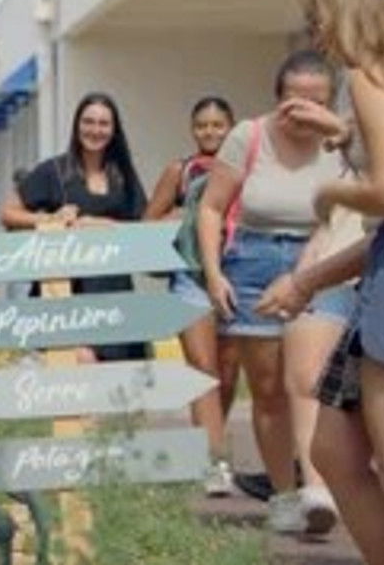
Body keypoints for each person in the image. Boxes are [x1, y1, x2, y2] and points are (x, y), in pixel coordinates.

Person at [262, 0, 384, 565]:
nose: (315, 30)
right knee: (332, 447)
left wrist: (329, 194)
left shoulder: (368, 76)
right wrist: (345, 133)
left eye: (318, 11)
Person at [195, 50, 347, 534]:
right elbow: (211, 208)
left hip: (323, 257)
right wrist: (214, 273)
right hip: (254, 261)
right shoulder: (249, 136)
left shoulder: (343, 141)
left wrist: (339, 131)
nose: (303, 111)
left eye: (316, 101)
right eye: (294, 100)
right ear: (277, 97)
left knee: (309, 378)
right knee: (267, 390)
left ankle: (317, 489)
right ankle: (284, 494)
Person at [0, 92, 149, 362]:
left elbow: (141, 226)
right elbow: (8, 213)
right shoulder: (54, 171)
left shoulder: (123, 175)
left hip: (114, 293)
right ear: (77, 125)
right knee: (78, 370)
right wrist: (50, 220)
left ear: (114, 130)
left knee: (116, 380)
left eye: (103, 123)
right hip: (64, 291)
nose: (95, 130)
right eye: (88, 122)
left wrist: (103, 224)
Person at [143, 96, 241, 496]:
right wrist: (181, 218)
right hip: (189, 276)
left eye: (218, 125)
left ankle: (207, 444)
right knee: (202, 369)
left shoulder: (244, 167)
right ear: (192, 129)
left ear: (231, 128)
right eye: (202, 125)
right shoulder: (179, 171)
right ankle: (217, 462)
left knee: (228, 372)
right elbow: (149, 221)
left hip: (236, 275)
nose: (210, 132)